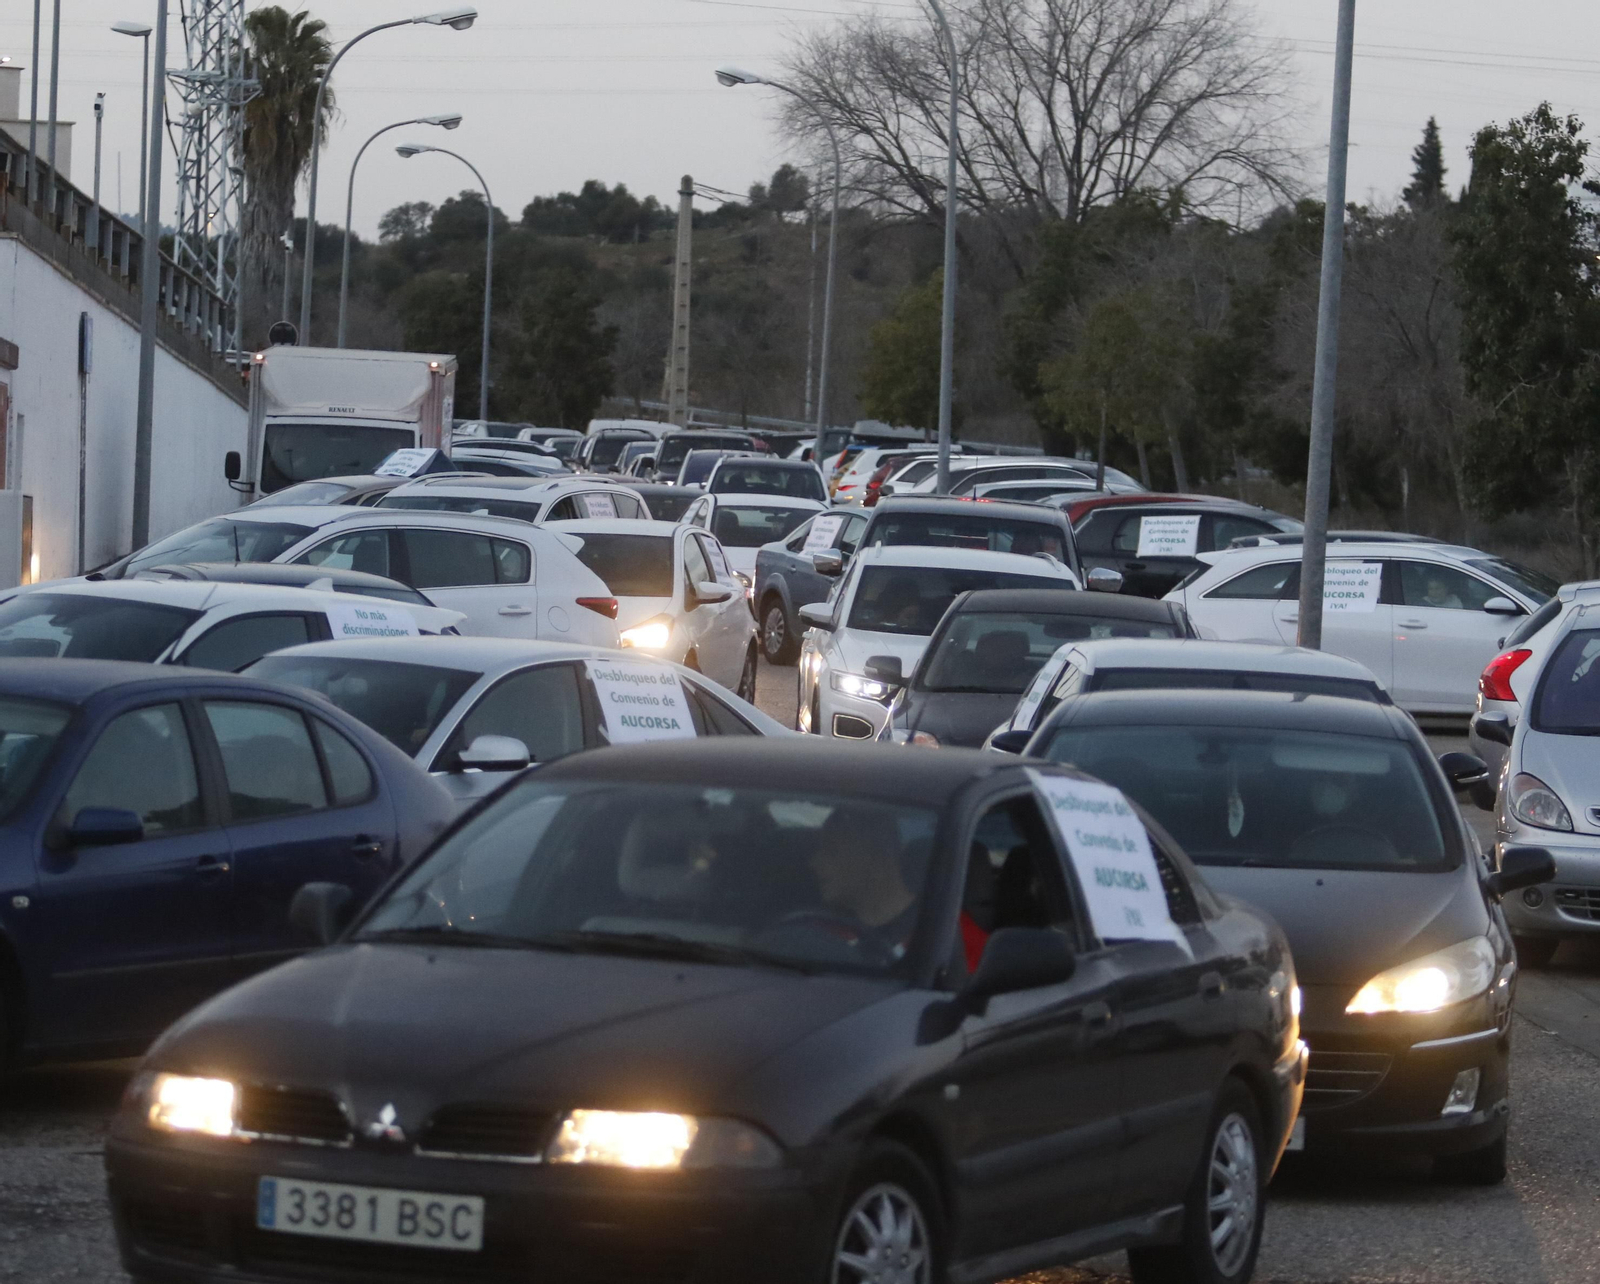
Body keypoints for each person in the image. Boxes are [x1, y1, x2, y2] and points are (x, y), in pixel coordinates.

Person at [808, 807, 920, 956]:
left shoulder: (936, 936)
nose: (814, 863)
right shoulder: (817, 933)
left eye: (832, 851)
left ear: (877, 858)